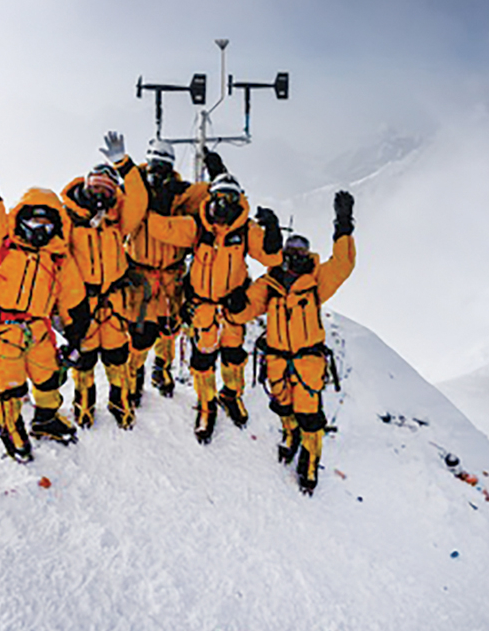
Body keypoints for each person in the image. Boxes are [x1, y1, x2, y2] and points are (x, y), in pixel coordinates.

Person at [0, 124, 91, 461]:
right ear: (20, 219)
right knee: (10, 386)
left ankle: (46, 419)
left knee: (48, 379)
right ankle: (11, 427)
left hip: (37, 328)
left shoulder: (58, 259)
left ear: (57, 226)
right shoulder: (1, 243)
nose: (39, 229)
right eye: (33, 221)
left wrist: (76, 334)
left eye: (47, 224)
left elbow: (72, 297)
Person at [231, 191, 355, 495]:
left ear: (307, 254)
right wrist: (235, 304)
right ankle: (290, 436)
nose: (295, 255)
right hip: (276, 358)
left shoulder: (316, 282)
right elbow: (247, 309)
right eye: (291, 249)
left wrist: (343, 225)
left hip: (307, 361)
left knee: (310, 415)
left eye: (301, 250)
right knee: (282, 404)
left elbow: (343, 264)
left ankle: (310, 461)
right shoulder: (269, 283)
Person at [147, 168, 282, 442]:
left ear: (239, 201)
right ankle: (206, 405)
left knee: (234, 356)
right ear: (210, 198)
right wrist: (161, 200)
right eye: (219, 197)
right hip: (203, 308)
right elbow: (160, 228)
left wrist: (273, 231)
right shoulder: (197, 227)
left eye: (231, 198)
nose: (224, 204)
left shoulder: (245, 231)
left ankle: (231, 395)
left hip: (232, 307)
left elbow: (272, 258)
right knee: (203, 360)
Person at [59, 132, 148, 430]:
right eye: (95, 186)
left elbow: (138, 199)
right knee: (83, 360)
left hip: (113, 302)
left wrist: (123, 164)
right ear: (85, 187)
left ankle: (119, 401)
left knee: (117, 357)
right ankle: (83, 404)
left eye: (108, 188)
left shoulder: (117, 222)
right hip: (81, 302)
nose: (100, 193)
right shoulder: (69, 219)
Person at [123, 139, 210, 403]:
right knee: (140, 332)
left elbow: (209, 193)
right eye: (154, 165)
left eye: (163, 166)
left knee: (169, 327)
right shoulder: (133, 191)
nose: (157, 172)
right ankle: (134, 374)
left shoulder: (181, 194)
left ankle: (162, 369)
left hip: (172, 273)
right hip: (141, 273)